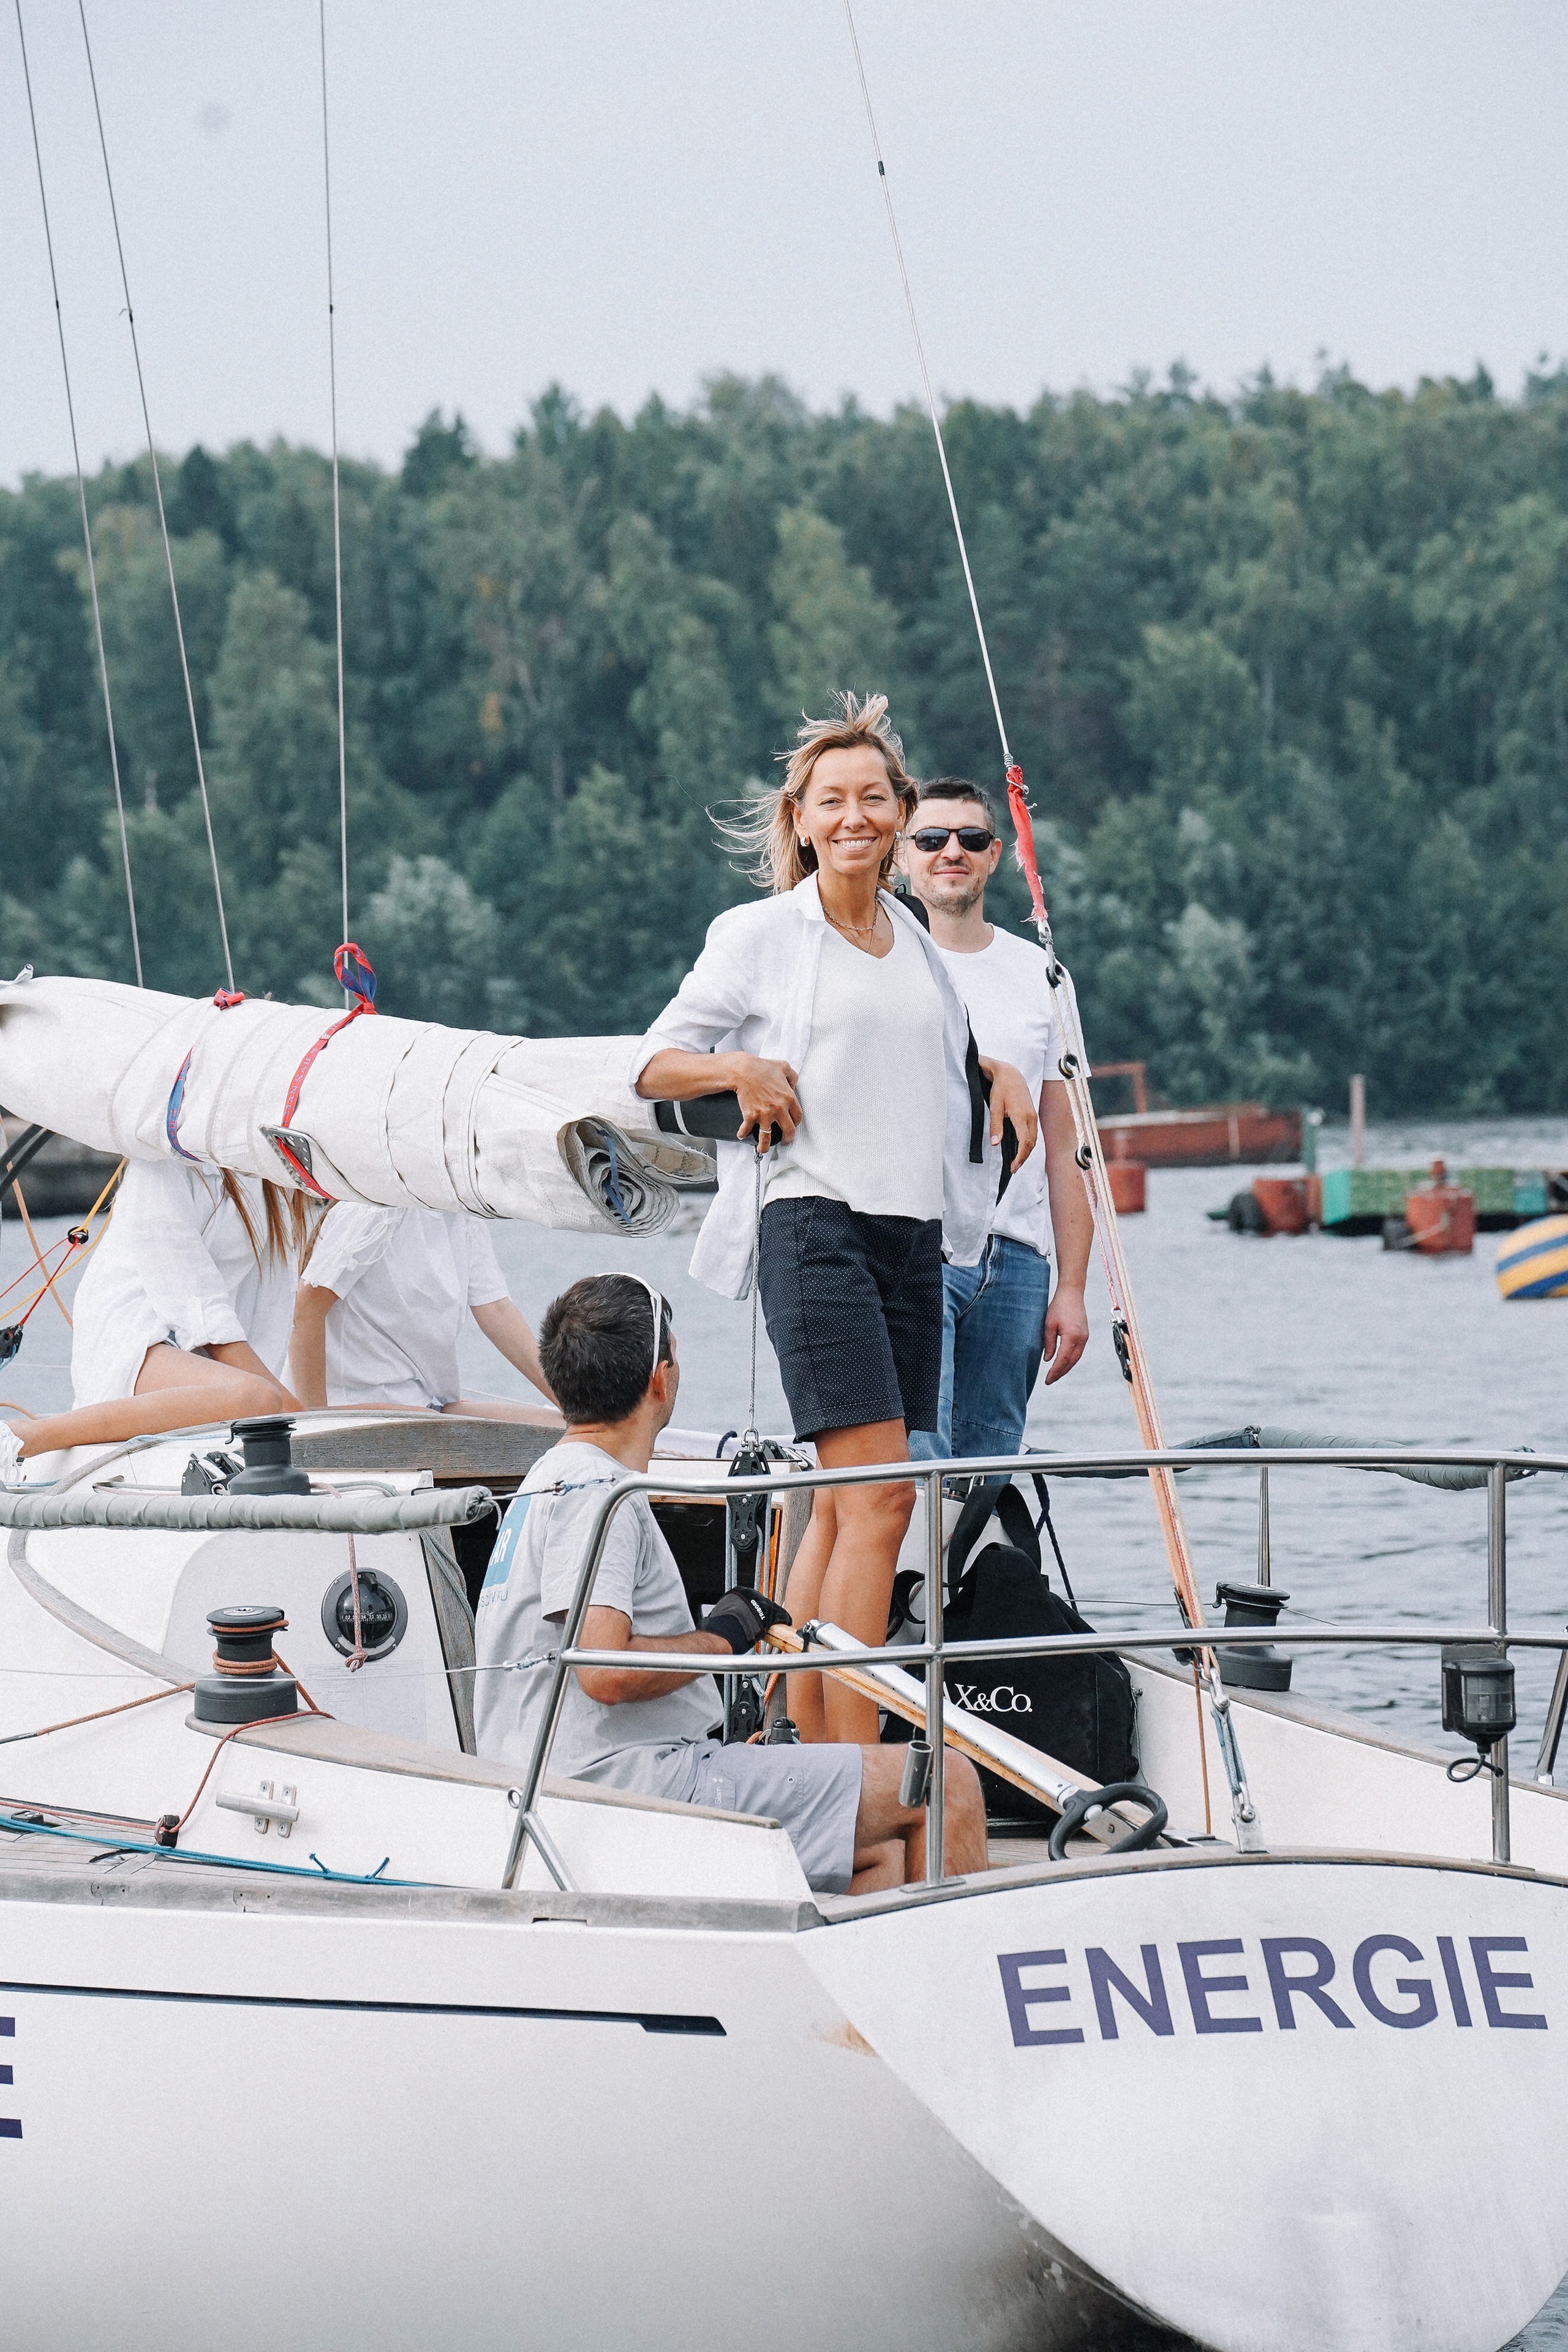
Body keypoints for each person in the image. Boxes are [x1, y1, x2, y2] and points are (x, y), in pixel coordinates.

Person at [630, 693, 1038, 1746]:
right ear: (803, 822)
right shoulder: (763, 933)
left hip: (911, 1240)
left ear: (901, 812)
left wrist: (997, 1072)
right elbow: (653, 1063)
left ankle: (796, 1724)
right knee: (883, 1502)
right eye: (831, 801)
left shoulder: (910, 936)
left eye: (873, 798)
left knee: (846, 1497)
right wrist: (737, 1066)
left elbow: (920, 1058)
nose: (854, 817)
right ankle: (850, 1763)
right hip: (814, 1226)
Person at [472, 1272, 987, 1893]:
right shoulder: (601, 1494)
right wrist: (724, 1635)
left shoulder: (542, 1484)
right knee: (944, 1783)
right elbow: (603, 1670)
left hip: (541, 1788)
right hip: (627, 1790)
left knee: (879, 1857)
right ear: (660, 1379)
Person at [900, 779, 1093, 1464]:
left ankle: (964, 1576)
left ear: (994, 854)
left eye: (970, 839)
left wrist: (1070, 1287)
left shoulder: (1043, 976)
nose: (951, 852)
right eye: (930, 839)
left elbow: (1068, 1147)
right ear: (901, 857)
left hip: (1017, 1261)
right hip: (916, 1247)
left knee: (987, 1473)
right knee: (920, 1463)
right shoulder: (880, 960)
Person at [2, 1159, 310, 1473]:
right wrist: (288, 1407)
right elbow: (196, 1306)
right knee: (259, 1399)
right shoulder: (159, 1162)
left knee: (268, 1401)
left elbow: (271, 1302)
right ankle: (20, 1438)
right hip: (133, 1335)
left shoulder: (268, 1170)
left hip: (195, 1350)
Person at [287, 1202, 559, 1422]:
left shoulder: (461, 1212)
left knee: (564, 1427)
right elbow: (306, 1308)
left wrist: (570, 1405)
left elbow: (497, 1311)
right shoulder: (374, 1209)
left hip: (425, 1406)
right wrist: (316, 1421)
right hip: (350, 1408)